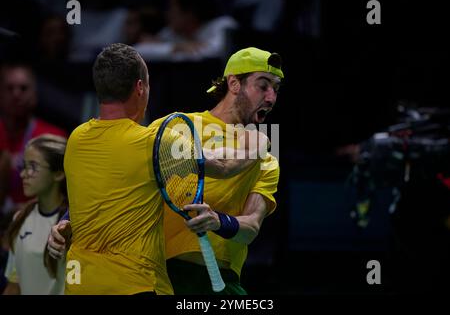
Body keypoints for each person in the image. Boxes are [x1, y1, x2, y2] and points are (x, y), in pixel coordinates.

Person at [49, 47, 282, 295]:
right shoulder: (175, 127)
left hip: (218, 280)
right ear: (234, 83)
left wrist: (218, 221)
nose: (271, 98)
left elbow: (251, 228)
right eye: (263, 85)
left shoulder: (267, 159)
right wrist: (68, 219)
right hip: (161, 273)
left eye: (276, 90)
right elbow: (117, 180)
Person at [3, 134, 67, 295]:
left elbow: (77, 284)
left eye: (33, 167)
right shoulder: (19, 219)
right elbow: (14, 285)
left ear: (58, 174)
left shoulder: (73, 226)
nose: (23, 174)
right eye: (24, 166)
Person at [0, 63, 66, 214]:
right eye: (9, 88)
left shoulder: (54, 139)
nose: (16, 94)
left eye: (23, 88)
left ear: (35, 95)